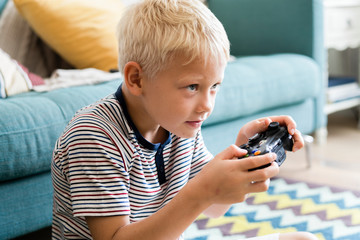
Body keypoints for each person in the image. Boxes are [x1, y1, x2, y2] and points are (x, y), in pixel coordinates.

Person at [51, 0, 318, 239]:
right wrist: (199, 192)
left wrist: (240, 156)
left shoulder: (179, 125)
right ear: (136, 79)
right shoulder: (95, 136)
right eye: (192, 87)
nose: (206, 105)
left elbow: (214, 208)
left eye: (214, 86)